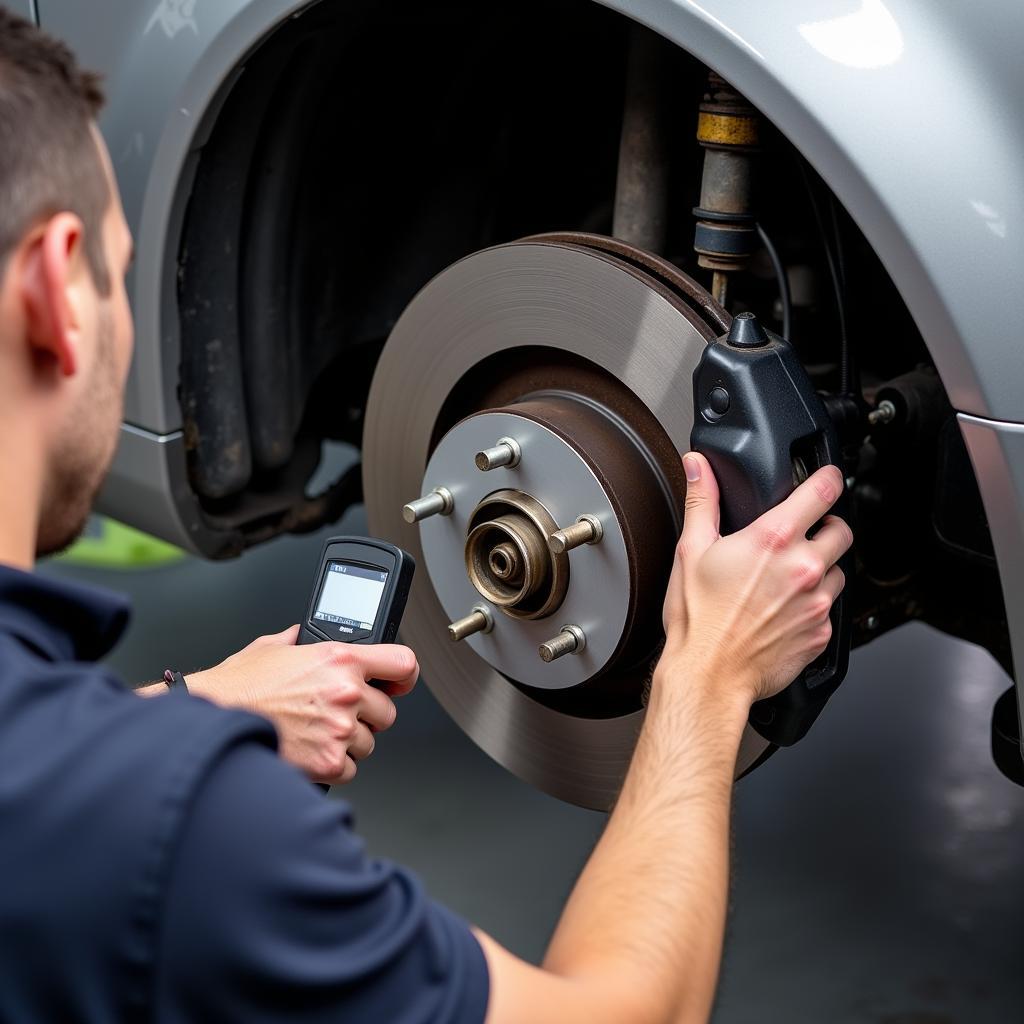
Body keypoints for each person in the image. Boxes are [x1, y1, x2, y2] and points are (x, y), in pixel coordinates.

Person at [0, 12, 852, 1024]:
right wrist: (707, 674)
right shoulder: (198, 842)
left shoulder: (82, 781)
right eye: (119, 264)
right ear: (60, 289)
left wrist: (191, 704)